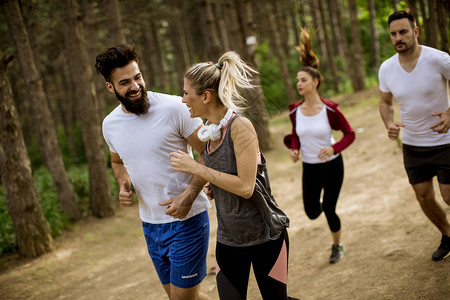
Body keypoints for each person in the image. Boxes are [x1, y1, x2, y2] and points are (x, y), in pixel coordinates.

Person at [169, 51, 298, 300]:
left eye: (186, 93)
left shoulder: (241, 127)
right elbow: (227, 178)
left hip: (266, 236)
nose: (182, 99)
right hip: (229, 240)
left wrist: (198, 169)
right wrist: (215, 189)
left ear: (205, 96)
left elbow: (246, 187)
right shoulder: (209, 134)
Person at [95, 44, 212, 299]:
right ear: (110, 87)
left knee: (182, 298)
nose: (135, 86)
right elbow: (117, 161)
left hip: (188, 219)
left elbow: (208, 152)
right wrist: (123, 184)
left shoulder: (176, 108)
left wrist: (190, 194)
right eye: (124, 82)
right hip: (150, 225)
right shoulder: (110, 125)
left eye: (137, 77)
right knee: (177, 297)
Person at [378, 10, 450, 261]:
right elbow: (385, 102)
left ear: (415, 31)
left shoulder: (438, 59)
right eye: (393, 34)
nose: (398, 37)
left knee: (448, 195)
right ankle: (447, 234)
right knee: (423, 197)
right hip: (412, 145)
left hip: (445, 141)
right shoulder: (386, 68)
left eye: (403, 32)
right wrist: (389, 123)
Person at [283, 28, 355, 264]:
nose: (298, 84)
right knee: (312, 212)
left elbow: (349, 134)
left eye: (303, 80)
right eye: (297, 81)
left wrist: (334, 149)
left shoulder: (331, 109)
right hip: (310, 167)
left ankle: (337, 245)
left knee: (330, 210)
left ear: (315, 82)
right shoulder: (294, 110)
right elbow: (295, 134)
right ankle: (327, 206)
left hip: (333, 165)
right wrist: (295, 147)